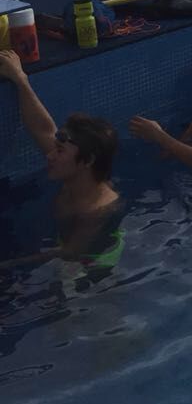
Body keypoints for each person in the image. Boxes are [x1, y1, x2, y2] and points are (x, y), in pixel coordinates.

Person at [0, 50, 123, 266]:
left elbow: (69, 253)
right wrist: (19, 78)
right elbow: (42, 129)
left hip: (92, 268)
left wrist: (6, 266)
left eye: (59, 151)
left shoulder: (96, 211)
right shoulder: (76, 170)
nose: (49, 155)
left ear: (87, 161)